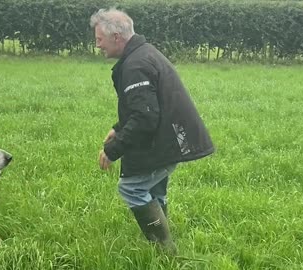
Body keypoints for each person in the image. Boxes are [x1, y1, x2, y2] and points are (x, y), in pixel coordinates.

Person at [90, 8, 214, 253]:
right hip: (171, 138)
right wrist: (118, 128)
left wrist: (113, 150)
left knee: (131, 188)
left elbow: (145, 116)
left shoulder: (136, 64)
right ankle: (163, 241)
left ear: (116, 37)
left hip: (166, 140)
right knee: (154, 188)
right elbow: (145, 107)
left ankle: (165, 249)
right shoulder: (142, 54)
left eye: (99, 39)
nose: (97, 45)